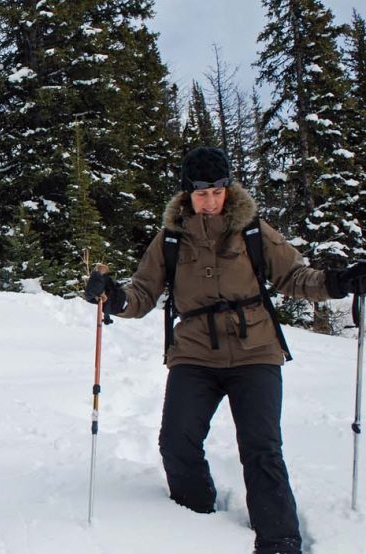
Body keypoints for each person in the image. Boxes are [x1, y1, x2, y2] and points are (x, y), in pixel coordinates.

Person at [83, 146, 366, 554]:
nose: (211, 201)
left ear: (228, 189)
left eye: (217, 191)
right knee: (176, 442)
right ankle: (195, 519)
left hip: (256, 353)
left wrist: (339, 282)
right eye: (202, 193)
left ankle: (280, 542)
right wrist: (115, 297)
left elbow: (294, 276)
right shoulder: (171, 240)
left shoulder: (253, 231)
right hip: (195, 353)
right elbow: (143, 293)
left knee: (262, 448)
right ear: (186, 195)